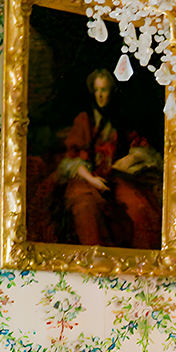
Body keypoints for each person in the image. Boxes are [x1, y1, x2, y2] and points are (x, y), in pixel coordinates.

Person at [56, 68, 162, 249]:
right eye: (96, 90)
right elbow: (72, 159)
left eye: (104, 90)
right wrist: (92, 180)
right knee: (87, 209)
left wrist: (131, 158)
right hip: (84, 179)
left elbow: (139, 145)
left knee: (140, 208)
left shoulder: (118, 120)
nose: (100, 95)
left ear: (112, 91)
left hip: (114, 178)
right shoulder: (84, 120)